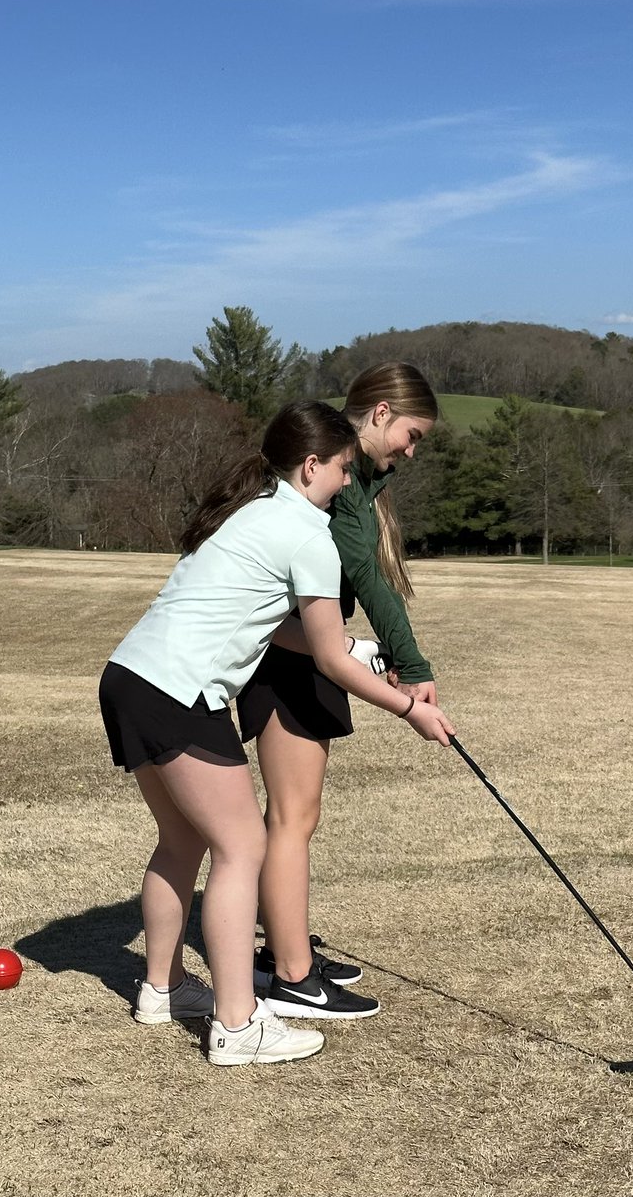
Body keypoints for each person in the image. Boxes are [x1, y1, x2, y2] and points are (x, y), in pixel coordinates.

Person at [98, 399, 454, 1068]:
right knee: (242, 847)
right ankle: (237, 1025)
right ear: (312, 464)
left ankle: (163, 988)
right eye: (342, 470)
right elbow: (327, 662)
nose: (350, 484)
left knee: (180, 842)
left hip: (129, 678)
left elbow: (287, 631)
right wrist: (410, 709)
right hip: (177, 692)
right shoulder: (308, 534)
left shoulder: (255, 510)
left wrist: (356, 646)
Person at [237, 362, 441, 1020]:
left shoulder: (356, 480)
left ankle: (286, 950)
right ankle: (293, 976)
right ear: (380, 414)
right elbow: (369, 579)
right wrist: (410, 669)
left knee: (298, 814)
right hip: (289, 657)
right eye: (410, 435)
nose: (411, 452)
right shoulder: (341, 486)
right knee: (292, 817)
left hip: (310, 648)